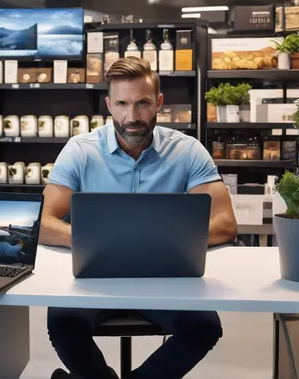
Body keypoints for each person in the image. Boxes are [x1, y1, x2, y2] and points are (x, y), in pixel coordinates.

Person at [40, 57, 237, 379]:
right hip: (94, 277)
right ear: (109, 105)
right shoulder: (80, 150)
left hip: (166, 277)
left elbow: (225, 224)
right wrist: (99, 242)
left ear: (159, 102)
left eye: (143, 103)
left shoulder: (187, 151)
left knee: (203, 327)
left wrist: (150, 244)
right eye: (122, 103)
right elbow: (44, 222)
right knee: (63, 324)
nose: (132, 117)